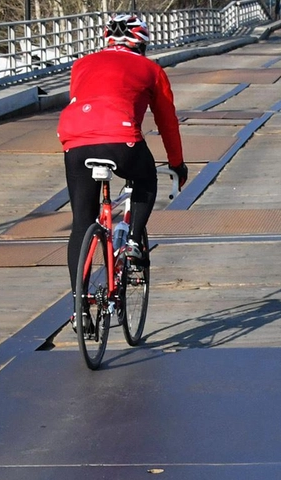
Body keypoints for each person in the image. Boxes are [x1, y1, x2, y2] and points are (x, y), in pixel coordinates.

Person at [57, 13, 188, 285]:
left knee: (81, 221)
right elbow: (167, 122)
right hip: (121, 138)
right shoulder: (151, 70)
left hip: (74, 139)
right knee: (146, 179)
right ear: (142, 44)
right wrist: (177, 164)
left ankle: (78, 306)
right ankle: (132, 241)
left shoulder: (81, 64)